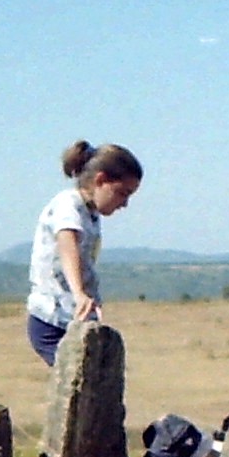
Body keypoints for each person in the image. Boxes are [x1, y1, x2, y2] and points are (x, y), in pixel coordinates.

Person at [25, 140, 143, 367]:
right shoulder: (68, 205)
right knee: (81, 380)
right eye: (122, 193)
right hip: (52, 319)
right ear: (100, 180)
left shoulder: (91, 213)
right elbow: (68, 243)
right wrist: (79, 293)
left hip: (74, 318)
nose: (125, 204)